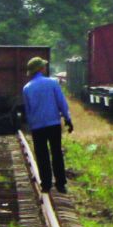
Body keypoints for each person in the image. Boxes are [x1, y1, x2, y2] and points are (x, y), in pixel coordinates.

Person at [22, 56, 73, 193]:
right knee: (56, 152)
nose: (45, 68)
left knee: (41, 154)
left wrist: (30, 124)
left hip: (37, 126)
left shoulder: (27, 88)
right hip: (53, 124)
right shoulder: (53, 83)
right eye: (43, 66)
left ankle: (46, 184)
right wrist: (68, 119)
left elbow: (28, 110)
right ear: (41, 69)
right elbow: (61, 102)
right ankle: (61, 184)